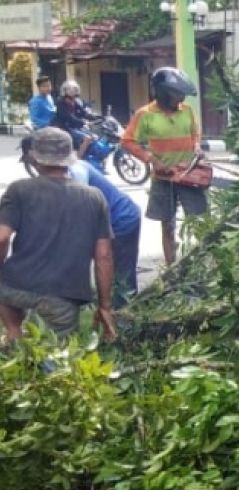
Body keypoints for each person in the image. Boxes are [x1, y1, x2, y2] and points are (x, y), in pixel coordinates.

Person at [0, 128, 116, 343]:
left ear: (35, 159)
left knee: (6, 299)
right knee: (55, 362)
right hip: (62, 297)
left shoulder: (19, 190)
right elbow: (104, 256)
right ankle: (20, 341)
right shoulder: (94, 197)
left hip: (13, 288)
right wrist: (105, 306)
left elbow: (2, 238)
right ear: (68, 159)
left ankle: (14, 333)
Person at [122, 67, 206, 265]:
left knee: (200, 221)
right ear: (162, 92)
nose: (180, 100)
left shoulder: (187, 111)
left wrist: (197, 147)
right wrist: (151, 159)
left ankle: (203, 263)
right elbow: (127, 141)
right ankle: (171, 268)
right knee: (167, 224)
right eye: (176, 95)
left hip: (189, 176)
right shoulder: (145, 114)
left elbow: (195, 134)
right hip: (163, 179)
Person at [69, 160, 142, 308]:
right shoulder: (72, 169)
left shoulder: (76, 173)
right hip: (108, 217)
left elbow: (81, 211)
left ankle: (124, 315)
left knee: (122, 274)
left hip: (121, 217)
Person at [53, 80, 98, 161]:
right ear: (65, 91)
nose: (73, 92)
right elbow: (68, 117)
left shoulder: (74, 101)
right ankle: (78, 160)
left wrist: (97, 117)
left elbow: (83, 112)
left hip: (74, 126)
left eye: (74, 90)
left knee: (94, 136)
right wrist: (83, 122)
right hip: (64, 127)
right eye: (71, 90)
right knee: (87, 138)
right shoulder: (60, 102)